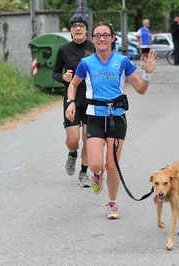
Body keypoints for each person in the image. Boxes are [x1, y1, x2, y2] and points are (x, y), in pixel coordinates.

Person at [65, 22, 158, 219]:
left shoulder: (123, 61)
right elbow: (72, 85)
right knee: (96, 165)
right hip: (95, 117)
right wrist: (71, 102)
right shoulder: (86, 63)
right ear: (93, 39)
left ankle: (113, 203)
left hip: (117, 118)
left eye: (105, 35)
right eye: (97, 35)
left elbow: (140, 89)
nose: (101, 39)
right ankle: (97, 175)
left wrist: (147, 73)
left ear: (113, 38)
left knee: (112, 165)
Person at [52, 15, 95, 188]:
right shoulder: (64, 50)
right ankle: (72, 154)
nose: (78, 28)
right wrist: (62, 77)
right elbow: (54, 72)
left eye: (81, 25)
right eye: (74, 26)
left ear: (86, 29)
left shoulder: (94, 47)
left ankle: (84, 172)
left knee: (87, 137)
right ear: (70, 30)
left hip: (91, 97)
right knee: (73, 140)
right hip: (71, 98)